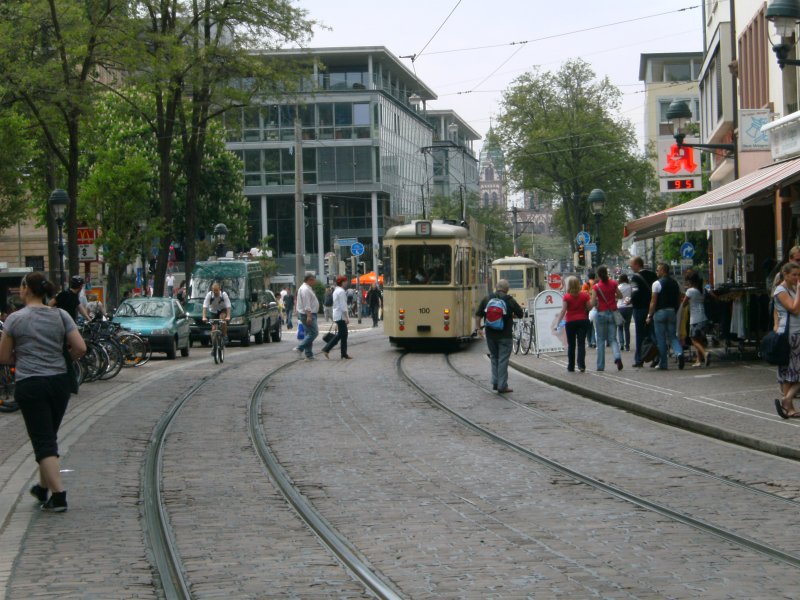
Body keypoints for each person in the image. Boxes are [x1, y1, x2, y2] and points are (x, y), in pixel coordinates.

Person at [0, 272, 87, 512]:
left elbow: (3, 356)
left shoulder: (15, 320)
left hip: (31, 383)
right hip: (59, 382)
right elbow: (80, 347)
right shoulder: (60, 315)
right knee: (48, 435)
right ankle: (42, 487)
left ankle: (59, 496)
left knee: (43, 441)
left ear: (26, 289)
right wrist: (61, 358)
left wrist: (23, 356)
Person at [475, 279, 524, 393]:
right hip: (505, 335)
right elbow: (520, 314)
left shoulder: (487, 299)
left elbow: (478, 315)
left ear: (496, 287)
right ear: (507, 289)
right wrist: (512, 315)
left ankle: (495, 383)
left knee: (494, 358)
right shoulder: (509, 300)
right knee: (503, 360)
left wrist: (478, 329)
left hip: (491, 335)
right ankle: (502, 386)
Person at [773, 262, 800, 418]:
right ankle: (787, 399)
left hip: (796, 332)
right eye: (794, 275)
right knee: (789, 372)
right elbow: (794, 308)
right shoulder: (781, 290)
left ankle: (788, 406)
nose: (797, 278)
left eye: (799, 275)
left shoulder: (792, 289)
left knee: (789, 373)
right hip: (791, 334)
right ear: (785, 275)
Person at [646, 263, 685, 370]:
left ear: (663, 271)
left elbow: (653, 302)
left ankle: (663, 363)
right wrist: (675, 309)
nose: (656, 272)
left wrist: (649, 315)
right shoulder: (675, 283)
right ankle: (679, 353)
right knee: (672, 336)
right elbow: (679, 298)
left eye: (658, 270)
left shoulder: (657, 284)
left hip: (660, 313)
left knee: (661, 339)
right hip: (672, 311)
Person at [554, 275, 591, 372]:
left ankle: (571, 366)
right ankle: (581, 365)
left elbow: (563, 310)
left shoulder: (567, 297)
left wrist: (558, 322)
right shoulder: (585, 295)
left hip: (570, 322)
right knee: (581, 343)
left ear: (569, 285)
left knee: (571, 345)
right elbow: (589, 307)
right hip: (583, 320)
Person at [590, 265, 623, 371]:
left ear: (598, 275)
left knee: (600, 340)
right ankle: (617, 357)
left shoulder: (596, 287)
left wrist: (596, 304)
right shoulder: (613, 283)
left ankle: (600, 366)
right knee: (613, 339)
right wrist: (613, 299)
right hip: (612, 313)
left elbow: (593, 302)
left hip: (601, 314)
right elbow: (620, 295)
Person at [629, 256, 658, 367]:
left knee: (640, 334)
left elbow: (635, 292)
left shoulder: (635, 278)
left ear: (637, 264)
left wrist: (630, 300)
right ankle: (656, 356)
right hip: (652, 308)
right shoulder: (653, 275)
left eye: (632, 265)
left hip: (640, 309)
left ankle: (639, 359)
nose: (631, 267)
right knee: (652, 333)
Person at [679, 272, 711, 367]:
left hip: (695, 319)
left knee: (693, 340)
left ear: (690, 281)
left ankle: (705, 354)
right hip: (703, 318)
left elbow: (684, 304)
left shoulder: (690, 291)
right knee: (699, 340)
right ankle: (698, 360)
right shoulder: (702, 290)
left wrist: (682, 299)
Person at [322, 275, 352, 360]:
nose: (347, 282)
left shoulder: (336, 290)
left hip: (337, 314)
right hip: (341, 315)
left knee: (344, 334)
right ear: (342, 282)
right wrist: (346, 317)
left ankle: (344, 353)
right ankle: (326, 349)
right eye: (345, 281)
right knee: (341, 334)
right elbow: (343, 305)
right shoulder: (341, 291)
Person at [295, 273, 320, 360]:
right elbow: (307, 304)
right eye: (313, 280)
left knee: (308, 333)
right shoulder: (305, 289)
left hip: (308, 313)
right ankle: (300, 347)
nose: (314, 281)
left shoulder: (305, 288)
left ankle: (309, 354)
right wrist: (309, 316)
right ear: (309, 280)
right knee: (314, 333)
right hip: (308, 314)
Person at [616, 273, 633, 351]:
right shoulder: (630, 287)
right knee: (627, 327)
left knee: (620, 327)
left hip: (620, 307)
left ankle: (621, 344)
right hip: (629, 307)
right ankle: (627, 345)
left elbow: (616, 296)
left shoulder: (618, 287)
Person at [582, 271, 597, 347]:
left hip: (588, 306)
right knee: (595, 326)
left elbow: (582, 294)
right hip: (596, 306)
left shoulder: (586, 284)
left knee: (588, 325)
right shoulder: (597, 284)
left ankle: (589, 342)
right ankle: (594, 341)